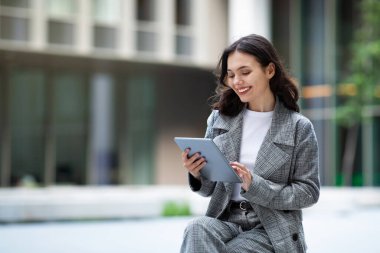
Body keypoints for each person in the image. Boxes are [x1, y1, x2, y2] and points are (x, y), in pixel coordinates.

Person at [180, 34, 320, 253]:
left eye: (245, 72)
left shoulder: (298, 128)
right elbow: (208, 190)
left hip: (272, 228)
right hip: (226, 219)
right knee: (196, 229)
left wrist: (255, 186)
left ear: (270, 71)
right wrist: (197, 173)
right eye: (231, 75)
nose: (237, 82)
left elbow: (308, 192)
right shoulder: (220, 119)